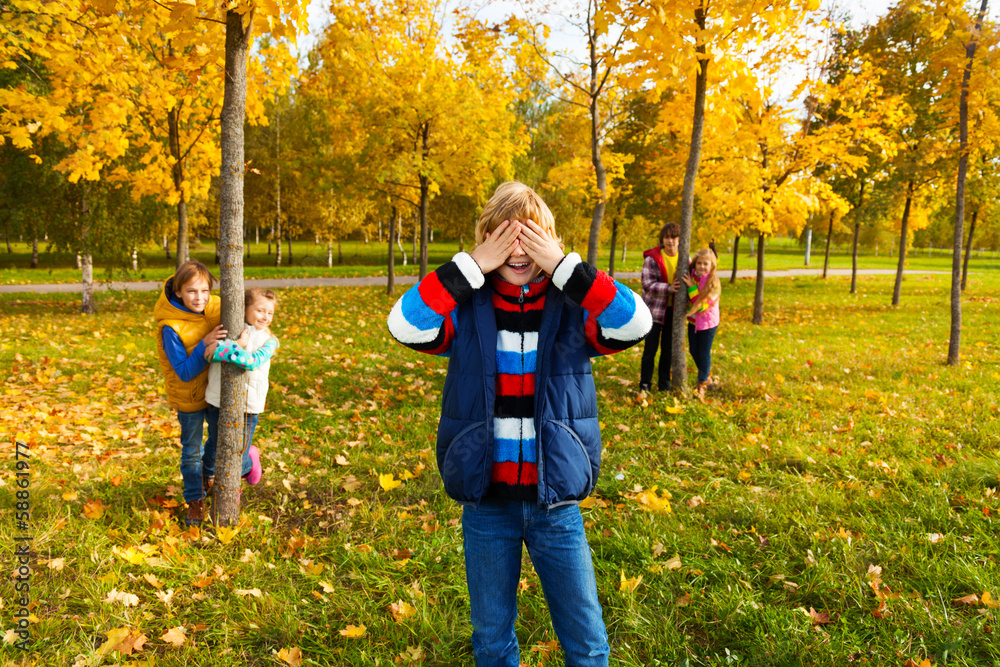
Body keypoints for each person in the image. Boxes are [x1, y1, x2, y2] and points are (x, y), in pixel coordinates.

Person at [387, 180, 652, 667]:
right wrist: (469, 266)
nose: (518, 248)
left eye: (530, 236)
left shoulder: (573, 305)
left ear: (549, 243)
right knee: (491, 639)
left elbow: (636, 323)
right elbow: (404, 324)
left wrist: (565, 267)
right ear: (486, 242)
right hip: (488, 504)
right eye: (504, 237)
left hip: (557, 503)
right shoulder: (466, 308)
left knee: (587, 639)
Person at [153, 260, 226, 526]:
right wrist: (204, 345)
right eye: (192, 291)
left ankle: (208, 475)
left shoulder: (216, 307)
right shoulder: (170, 327)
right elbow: (183, 371)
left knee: (218, 442)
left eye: (205, 291)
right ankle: (195, 500)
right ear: (179, 292)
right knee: (191, 451)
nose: (200, 298)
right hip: (189, 396)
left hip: (217, 390)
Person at [203, 287, 281, 499]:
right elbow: (208, 355)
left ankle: (246, 467)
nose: (265, 317)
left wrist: (228, 347)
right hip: (216, 398)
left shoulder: (270, 341)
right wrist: (227, 345)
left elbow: (251, 362)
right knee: (214, 444)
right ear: (244, 308)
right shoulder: (229, 327)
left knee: (238, 452)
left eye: (270, 313)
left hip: (248, 405)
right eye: (260, 310)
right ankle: (207, 479)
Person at [639, 222, 681, 392]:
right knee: (650, 349)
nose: (670, 241)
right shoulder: (653, 259)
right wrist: (669, 288)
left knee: (668, 350)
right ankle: (645, 384)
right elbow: (647, 284)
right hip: (654, 311)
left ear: (680, 240)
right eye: (667, 237)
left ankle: (664, 384)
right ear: (662, 239)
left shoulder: (685, 259)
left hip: (673, 312)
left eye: (674, 237)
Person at [682, 248, 721, 400]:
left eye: (706, 264)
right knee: (693, 350)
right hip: (693, 321)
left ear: (712, 265)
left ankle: (702, 383)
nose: (702, 266)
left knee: (703, 353)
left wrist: (691, 285)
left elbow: (700, 305)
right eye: (699, 263)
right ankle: (707, 376)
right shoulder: (693, 273)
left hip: (708, 323)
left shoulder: (714, 284)